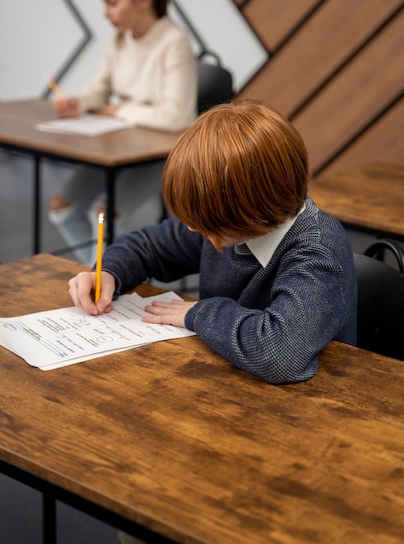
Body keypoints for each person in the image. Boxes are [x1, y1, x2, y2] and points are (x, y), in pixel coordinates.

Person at [68, 99, 357, 385]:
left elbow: (278, 353)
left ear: (250, 208)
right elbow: (147, 245)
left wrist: (199, 313)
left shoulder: (316, 252)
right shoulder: (224, 223)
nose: (192, 227)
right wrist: (109, 272)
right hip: (231, 380)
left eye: (206, 222)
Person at [49, 0, 197, 265]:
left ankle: (98, 279)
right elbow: (100, 89)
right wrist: (80, 103)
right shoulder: (118, 39)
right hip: (120, 147)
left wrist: (119, 110)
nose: (105, 12)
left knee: (103, 212)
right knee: (62, 205)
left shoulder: (174, 42)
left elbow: (177, 116)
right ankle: (95, 272)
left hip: (161, 154)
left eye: (112, 2)